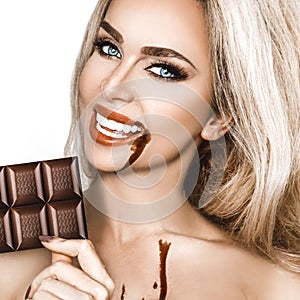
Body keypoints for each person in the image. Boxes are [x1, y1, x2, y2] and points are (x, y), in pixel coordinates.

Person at [2, 0, 299, 299]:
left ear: (219, 118)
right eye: (109, 49)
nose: (112, 86)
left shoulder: (273, 285)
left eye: (163, 70)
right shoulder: (10, 224)